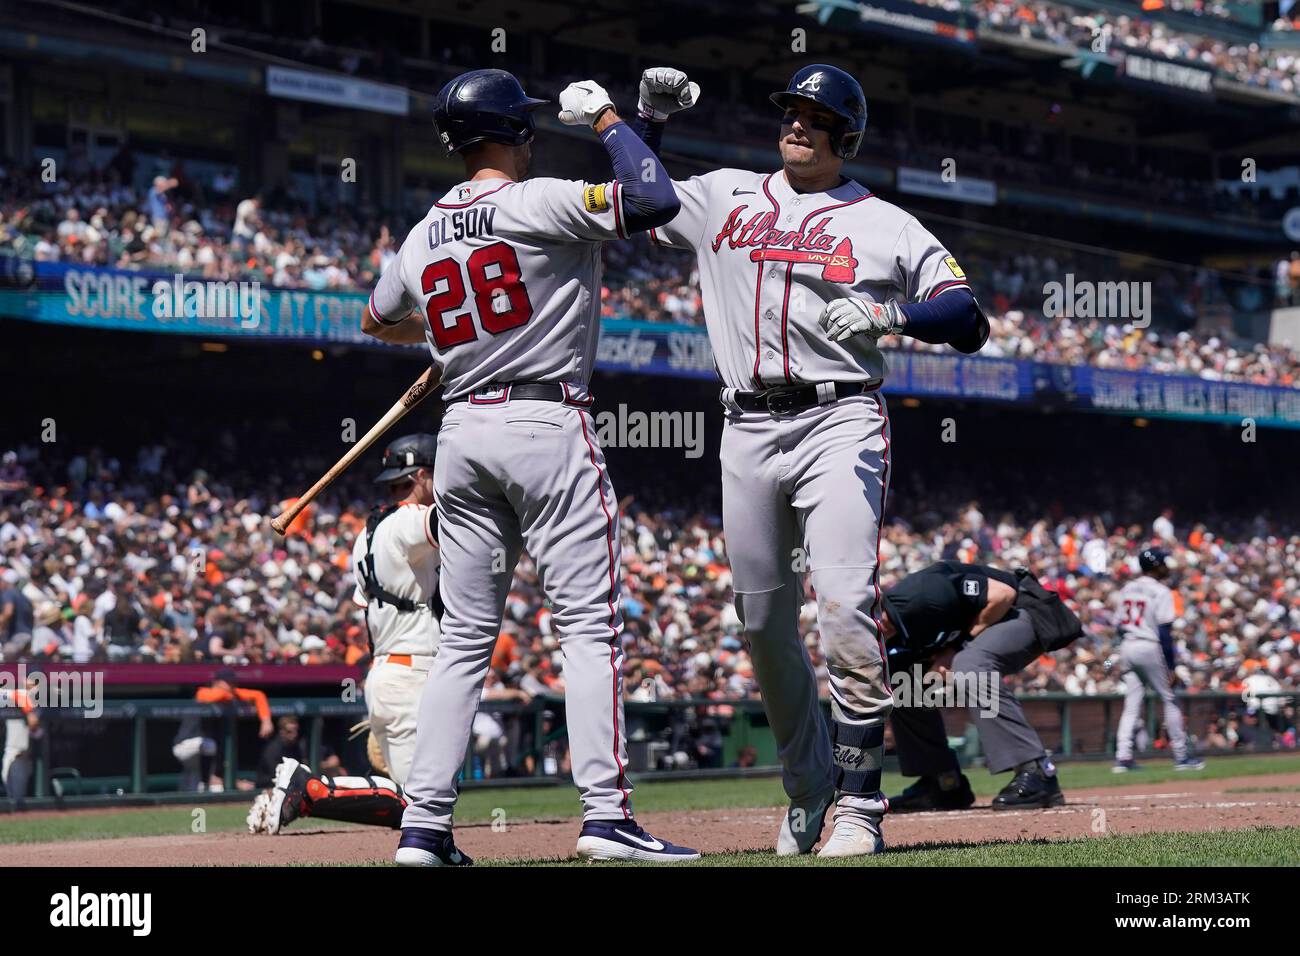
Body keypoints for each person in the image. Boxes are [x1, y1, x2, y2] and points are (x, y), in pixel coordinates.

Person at [636, 64, 987, 856]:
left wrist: (893, 313)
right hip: (745, 424)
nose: (798, 123)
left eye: (816, 115)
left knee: (842, 605)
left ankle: (861, 804)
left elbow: (969, 317)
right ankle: (808, 785)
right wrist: (646, 124)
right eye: (791, 110)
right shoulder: (725, 192)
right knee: (761, 622)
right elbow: (641, 204)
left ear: (846, 136)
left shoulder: (884, 222)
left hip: (840, 418)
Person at [364, 68, 695, 866]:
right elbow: (651, 202)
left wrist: (450, 337)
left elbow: (379, 321)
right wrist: (615, 121)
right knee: (586, 626)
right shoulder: (538, 198)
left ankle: (424, 829)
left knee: (465, 640)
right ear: (520, 132)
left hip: (463, 433)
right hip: (545, 418)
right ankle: (608, 817)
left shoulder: (420, 232)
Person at [249, 435, 443, 834]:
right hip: (413, 673)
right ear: (422, 475)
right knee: (422, 805)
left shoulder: (365, 536)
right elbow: (453, 522)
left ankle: (310, 790)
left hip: (387, 673)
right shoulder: (409, 521)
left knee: (419, 805)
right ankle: (310, 789)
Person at [882, 562, 1081, 811]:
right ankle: (943, 783)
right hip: (986, 627)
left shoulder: (919, 594)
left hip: (1024, 608)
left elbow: (1002, 595)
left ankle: (1038, 771)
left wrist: (954, 650)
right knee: (902, 680)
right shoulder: (887, 639)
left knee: (969, 664)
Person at [1111, 548, 1206, 772]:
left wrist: (1115, 656)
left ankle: (1123, 758)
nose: (1167, 566)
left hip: (1127, 645)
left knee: (1132, 705)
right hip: (1149, 644)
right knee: (1170, 698)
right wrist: (1171, 666)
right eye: (1163, 563)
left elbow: (1117, 626)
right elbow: (1165, 631)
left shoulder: (1127, 588)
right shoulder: (1162, 591)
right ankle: (1181, 757)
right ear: (1156, 566)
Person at [173, 668, 272, 792]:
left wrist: (266, 720)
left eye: (233, 683)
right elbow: (216, 695)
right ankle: (207, 778)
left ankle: (197, 804)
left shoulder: (230, 693)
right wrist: (234, 696)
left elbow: (258, 695)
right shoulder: (204, 692)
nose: (232, 686)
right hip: (185, 745)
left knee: (210, 787)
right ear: (216, 682)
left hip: (202, 753)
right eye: (228, 682)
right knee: (209, 745)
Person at [1, 670, 41, 807]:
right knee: (9, 790)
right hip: (10, 751)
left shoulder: (40, 700)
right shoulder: (19, 693)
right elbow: (16, 694)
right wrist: (29, 711)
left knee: (17, 798)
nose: (33, 686)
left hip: (23, 754)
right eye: (30, 682)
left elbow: (36, 728)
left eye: (36, 683)